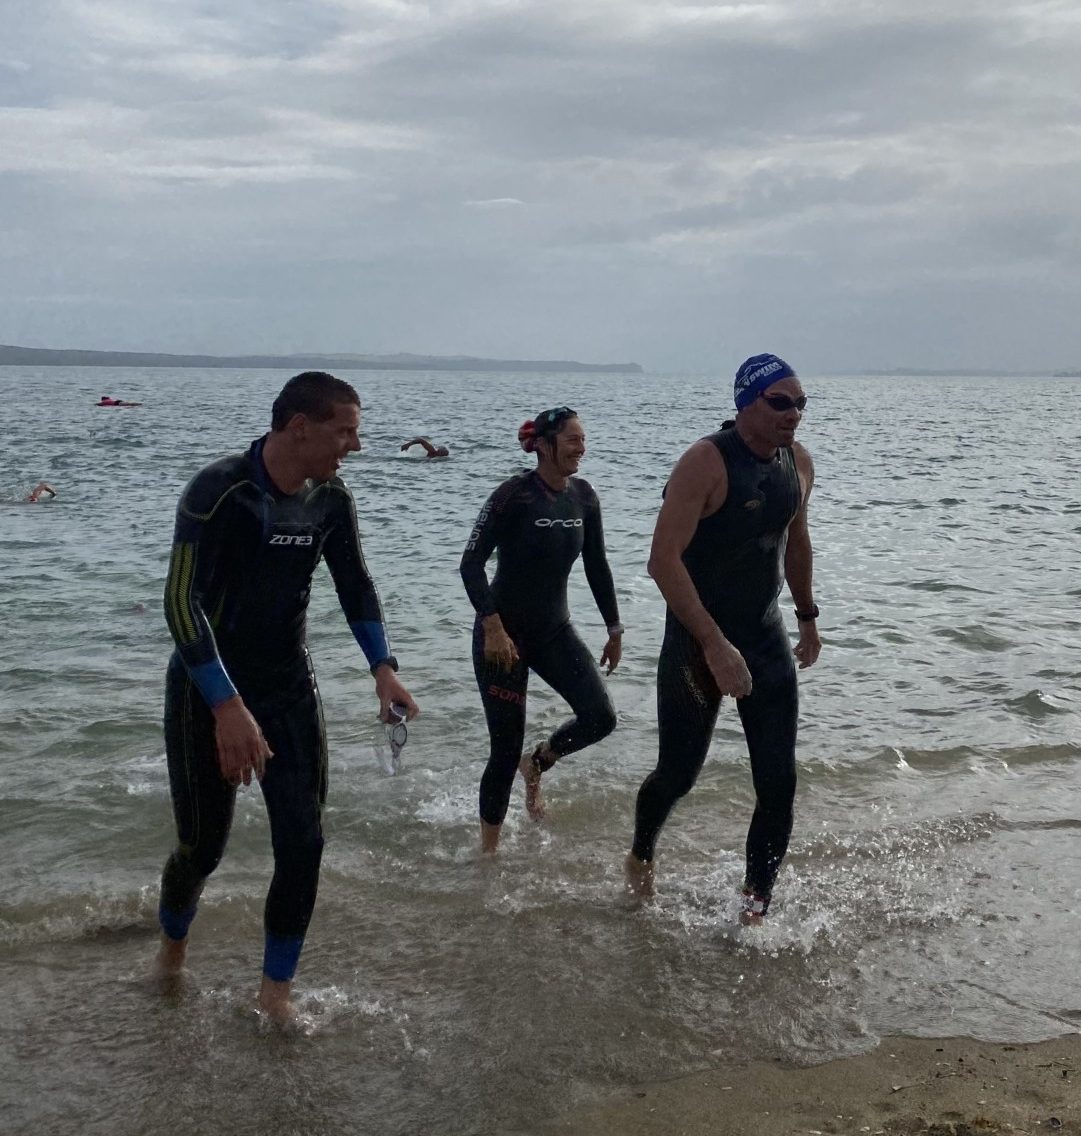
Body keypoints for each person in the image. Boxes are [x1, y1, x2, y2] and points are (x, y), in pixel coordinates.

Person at [156, 370, 418, 1022]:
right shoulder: (219, 492)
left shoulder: (331, 500)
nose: (353, 446)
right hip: (205, 688)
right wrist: (225, 705)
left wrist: (382, 667)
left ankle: (274, 997)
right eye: (345, 431)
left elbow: (355, 585)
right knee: (201, 850)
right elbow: (180, 604)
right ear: (299, 426)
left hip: (286, 686)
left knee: (303, 844)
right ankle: (169, 955)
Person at [624, 354, 822, 924]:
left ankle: (755, 909)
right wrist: (712, 642)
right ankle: (641, 853)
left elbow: (798, 541)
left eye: (801, 402)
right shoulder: (704, 463)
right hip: (695, 642)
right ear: (747, 403)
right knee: (678, 776)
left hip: (763, 635)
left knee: (778, 784)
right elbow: (662, 561)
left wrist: (807, 616)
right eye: (781, 402)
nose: (794, 413)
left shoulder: (798, 464)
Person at [460, 406, 623, 853]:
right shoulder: (514, 496)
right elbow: (470, 565)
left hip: (554, 631)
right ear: (546, 445)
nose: (581, 448)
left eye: (583, 439)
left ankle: (540, 761)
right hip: (503, 639)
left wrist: (614, 627)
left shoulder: (584, 497)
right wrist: (493, 627)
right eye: (573, 440)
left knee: (601, 717)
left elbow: (597, 566)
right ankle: (488, 853)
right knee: (503, 748)